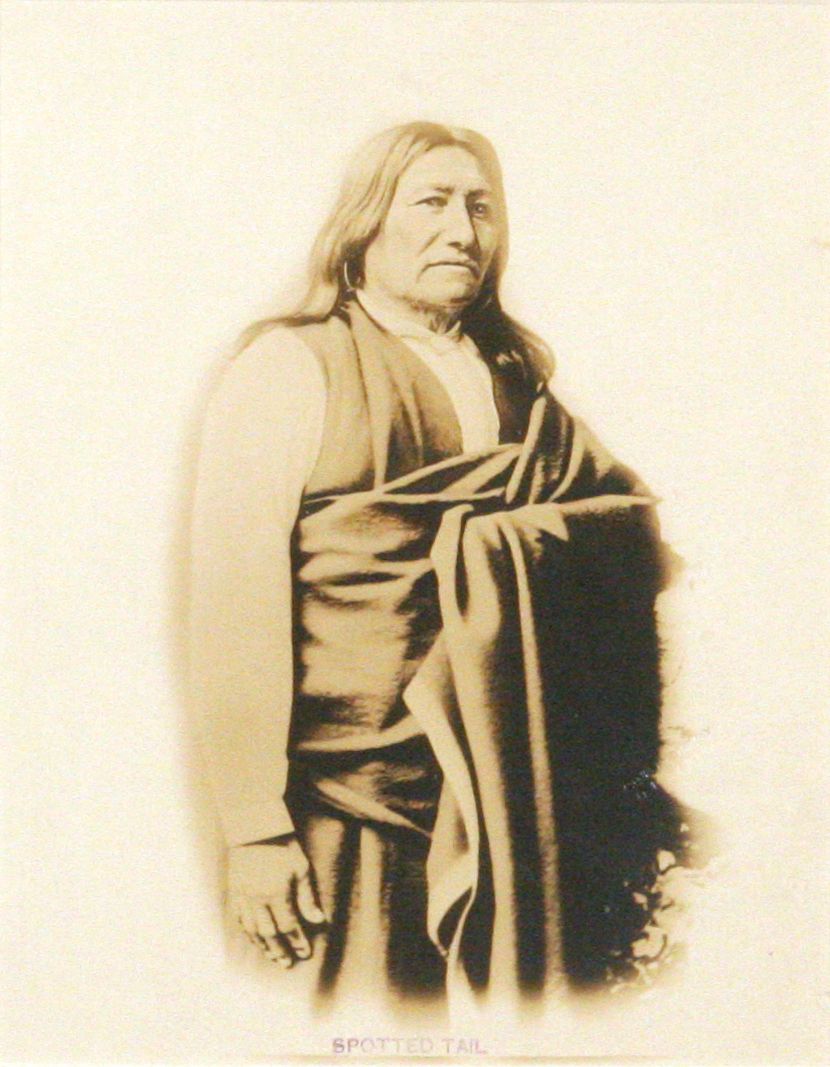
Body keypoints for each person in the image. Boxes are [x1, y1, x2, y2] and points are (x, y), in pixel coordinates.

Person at [188, 121, 690, 1018]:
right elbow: (234, 605)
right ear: (365, 222)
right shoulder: (289, 367)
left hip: (511, 796)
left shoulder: (516, 384)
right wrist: (254, 828)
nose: (463, 231)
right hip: (349, 800)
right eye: (432, 202)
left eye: (481, 208)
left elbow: (630, 537)